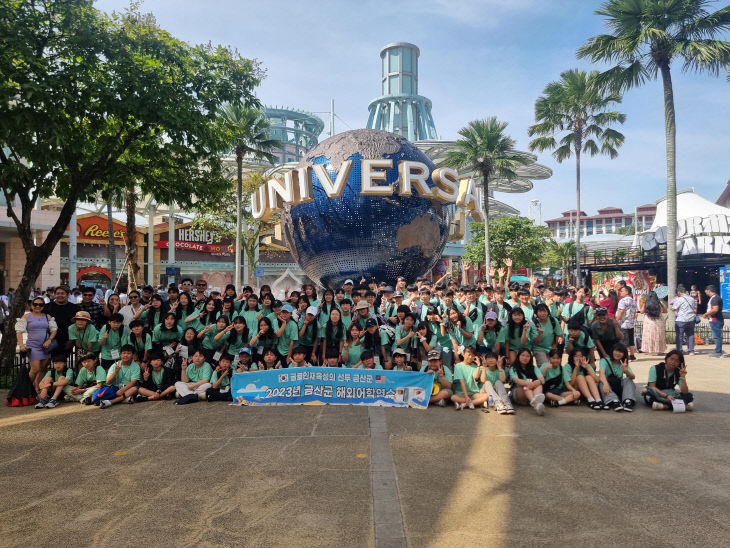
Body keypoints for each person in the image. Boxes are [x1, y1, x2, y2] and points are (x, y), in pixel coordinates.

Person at [15, 296, 58, 393]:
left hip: (46, 347)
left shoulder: (47, 316)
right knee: (35, 369)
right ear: (31, 305)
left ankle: (37, 388)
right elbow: (19, 331)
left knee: (43, 369)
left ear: (43, 306)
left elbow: (54, 330)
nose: (37, 306)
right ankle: (26, 389)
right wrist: (21, 345)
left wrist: (49, 340)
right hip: (33, 346)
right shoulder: (26, 316)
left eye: (40, 304)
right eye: (35, 304)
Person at [598, 343, 637, 412]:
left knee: (629, 380)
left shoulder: (623, 363)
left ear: (624, 354)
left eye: (621, 352)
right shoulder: (604, 360)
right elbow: (602, 374)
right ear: (612, 351)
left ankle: (628, 401)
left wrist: (626, 370)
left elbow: (633, 376)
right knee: (602, 382)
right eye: (616, 351)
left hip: (618, 386)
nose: (618, 353)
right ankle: (614, 401)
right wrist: (606, 384)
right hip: (608, 386)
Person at [509, 348, 546, 415]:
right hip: (519, 394)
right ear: (518, 356)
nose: (525, 358)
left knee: (539, 384)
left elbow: (542, 380)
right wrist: (529, 383)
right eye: (522, 355)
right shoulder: (513, 368)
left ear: (530, 358)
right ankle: (536, 402)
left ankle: (536, 404)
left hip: (530, 393)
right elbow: (516, 380)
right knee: (526, 386)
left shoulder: (534, 368)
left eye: (527, 356)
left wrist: (538, 382)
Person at [42, 285, 78, 351]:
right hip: (49, 339)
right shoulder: (47, 307)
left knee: (61, 360)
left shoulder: (74, 308)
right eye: (58, 293)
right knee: (46, 359)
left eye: (62, 293)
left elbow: (77, 325)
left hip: (67, 340)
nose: (60, 295)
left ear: (67, 295)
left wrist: (72, 340)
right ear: (55, 295)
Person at [671, 285, 698, 355]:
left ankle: (679, 350)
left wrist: (673, 308)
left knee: (679, 335)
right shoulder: (692, 299)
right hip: (691, 319)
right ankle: (691, 350)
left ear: (679, 292)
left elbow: (673, 308)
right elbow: (695, 308)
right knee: (690, 335)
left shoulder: (679, 299)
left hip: (681, 319)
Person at [615, 285, 638, 360]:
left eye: (622, 291)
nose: (620, 292)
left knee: (623, 341)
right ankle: (632, 355)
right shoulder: (633, 301)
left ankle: (624, 356)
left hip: (623, 324)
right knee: (631, 341)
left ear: (627, 292)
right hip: (631, 323)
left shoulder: (623, 301)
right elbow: (635, 312)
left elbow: (621, 311)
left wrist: (616, 320)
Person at [702, 285, 724, 357]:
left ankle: (718, 352)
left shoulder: (714, 298)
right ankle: (718, 350)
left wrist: (706, 314)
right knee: (717, 336)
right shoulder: (715, 297)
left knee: (717, 336)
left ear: (709, 290)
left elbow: (715, 309)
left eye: (706, 290)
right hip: (716, 319)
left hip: (715, 320)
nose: (705, 292)